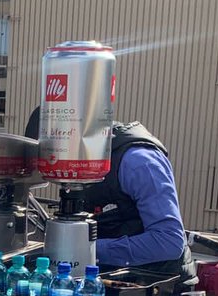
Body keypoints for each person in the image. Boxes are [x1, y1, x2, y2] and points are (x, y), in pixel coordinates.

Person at [24, 107, 197, 282]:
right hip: (110, 277)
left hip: (158, 284)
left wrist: (89, 251)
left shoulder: (139, 163)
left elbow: (169, 242)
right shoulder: (82, 168)